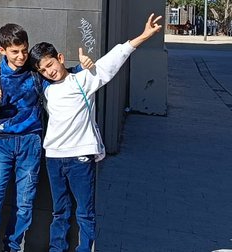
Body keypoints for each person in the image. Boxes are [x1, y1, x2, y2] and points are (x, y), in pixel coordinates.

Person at [27, 13, 163, 252]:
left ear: (59, 58)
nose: (49, 71)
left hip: (81, 158)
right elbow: (14, 73)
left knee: (85, 211)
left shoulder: (83, 80)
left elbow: (113, 60)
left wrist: (143, 36)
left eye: (51, 64)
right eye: (43, 69)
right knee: (59, 210)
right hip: (54, 158)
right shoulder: (45, 89)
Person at [0, 24, 44, 252]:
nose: (21, 56)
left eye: (24, 50)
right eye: (15, 51)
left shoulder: (35, 71)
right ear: (2, 50)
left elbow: (56, 72)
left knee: (25, 203)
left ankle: (12, 246)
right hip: (2, 142)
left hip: (31, 141)